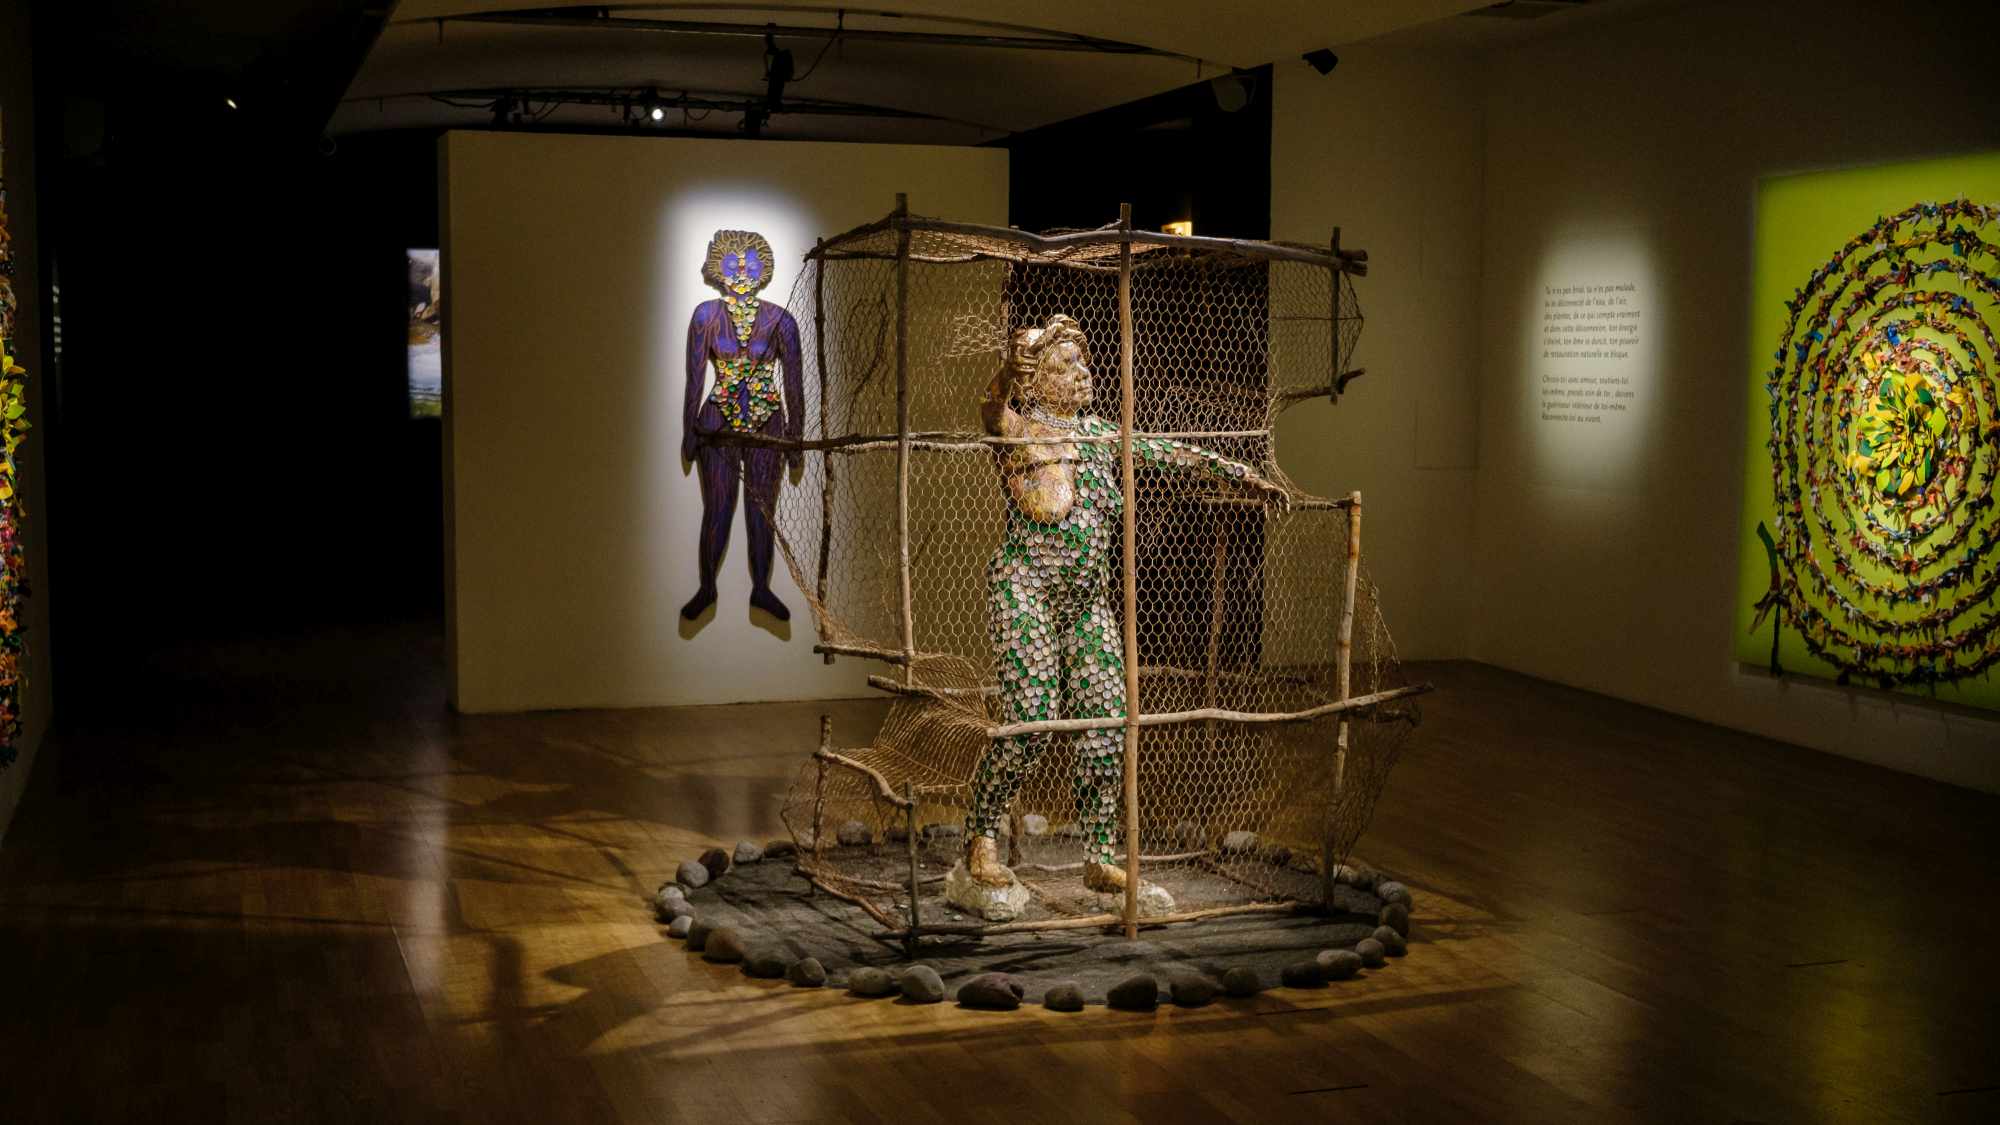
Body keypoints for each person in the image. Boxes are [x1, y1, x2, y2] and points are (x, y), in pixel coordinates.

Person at [963, 314, 1286, 895]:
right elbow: (990, 406)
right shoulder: (1016, 427)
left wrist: (1240, 474)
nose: (1083, 373)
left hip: (1087, 601)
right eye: (1067, 365)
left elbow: (1167, 452)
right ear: (1036, 379)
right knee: (1032, 717)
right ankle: (981, 836)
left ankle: (1099, 854)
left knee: (1108, 720)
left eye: (1084, 363)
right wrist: (1006, 372)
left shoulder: (1100, 435)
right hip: (1026, 589)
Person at [681, 230, 803, 622]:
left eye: (749, 263)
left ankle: (761, 589)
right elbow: (695, 377)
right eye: (732, 263)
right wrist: (688, 430)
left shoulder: (782, 320)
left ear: (763, 268)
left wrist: (796, 437)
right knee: (718, 507)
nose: (741, 272)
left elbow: (794, 383)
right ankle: (707, 587)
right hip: (716, 423)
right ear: (718, 268)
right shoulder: (706, 315)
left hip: (769, 424)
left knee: (762, 509)